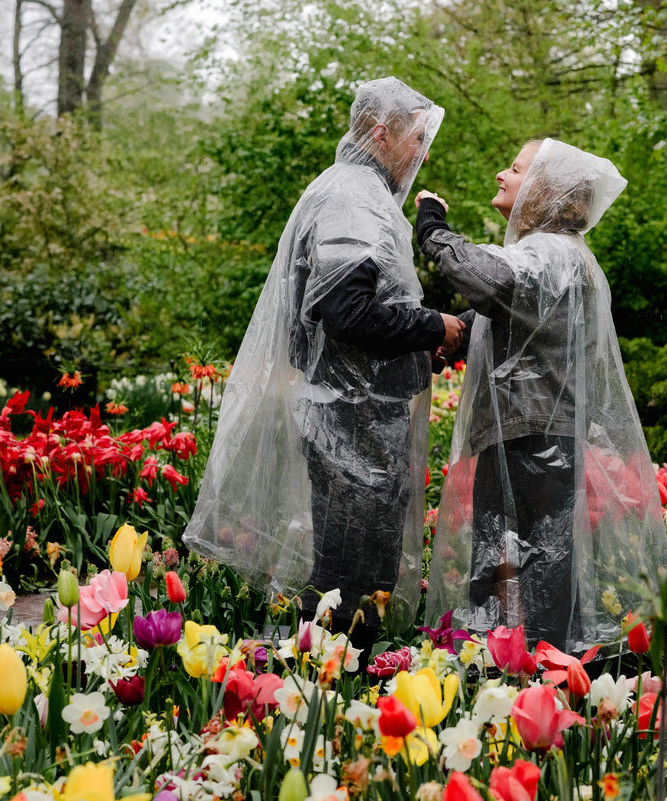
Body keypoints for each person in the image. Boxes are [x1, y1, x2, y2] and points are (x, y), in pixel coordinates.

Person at [184, 78, 463, 651]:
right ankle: (337, 693)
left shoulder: (354, 193)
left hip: (354, 421)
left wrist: (414, 343)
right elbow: (342, 309)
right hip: (351, 428)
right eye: (416, 138)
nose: (423, 153)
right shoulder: (352, 197)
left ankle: (332, 686)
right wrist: (435, 327)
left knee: (347, 571)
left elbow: (341, 313)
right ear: (381, 134)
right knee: (351, 579)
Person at [414, 139, 667, 653]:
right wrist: (458, 332)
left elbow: (489, 282)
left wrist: (433, 229)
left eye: (514, 168)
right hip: (532, 433)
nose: (500, 175)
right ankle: (527, 675)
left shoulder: (550, 251)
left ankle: (529, 679)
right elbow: (526, 323)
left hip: (533, 439)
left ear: (544, 190)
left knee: (524, 569)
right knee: (525, 564)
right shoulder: (561, 256)